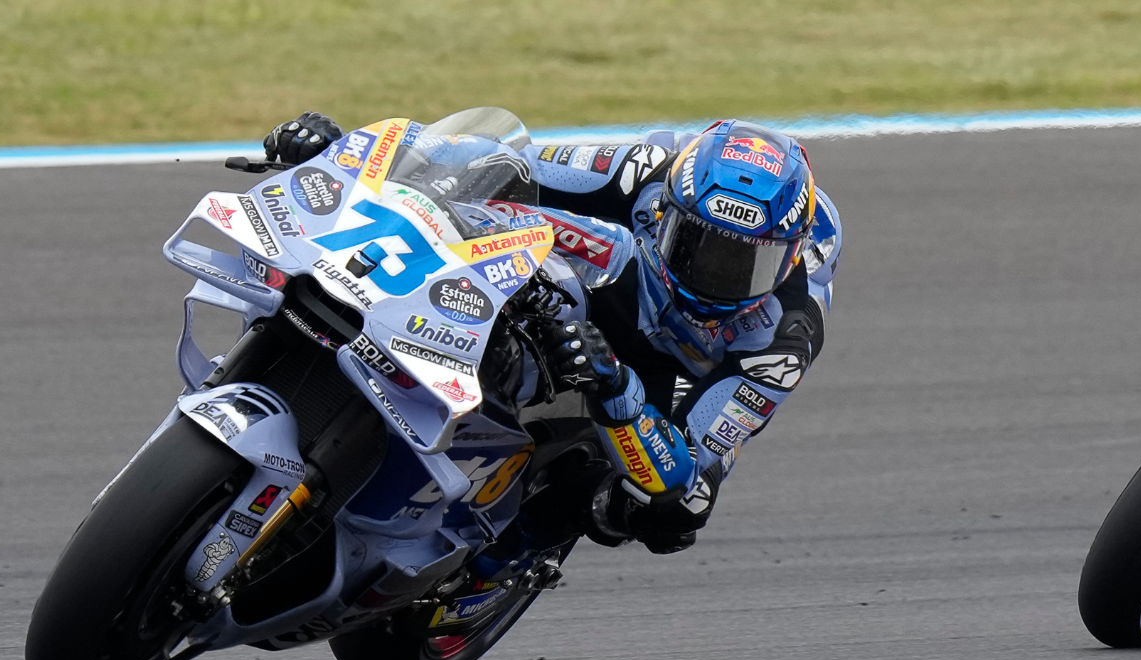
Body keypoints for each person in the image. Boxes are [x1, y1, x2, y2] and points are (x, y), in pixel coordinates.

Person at [262, 112, 840, 554]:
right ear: (666, 211)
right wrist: (344, 153)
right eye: (699, 246)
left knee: (674, 512)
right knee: (481, 189)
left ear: (788, 258)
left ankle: (503, 558)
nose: (714, 276)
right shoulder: (641, 168)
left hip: (681, 370)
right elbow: (494, 159)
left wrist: (615, 385)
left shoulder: (785, 337)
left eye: (746, 265)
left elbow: (684, 468)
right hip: (611, 284)